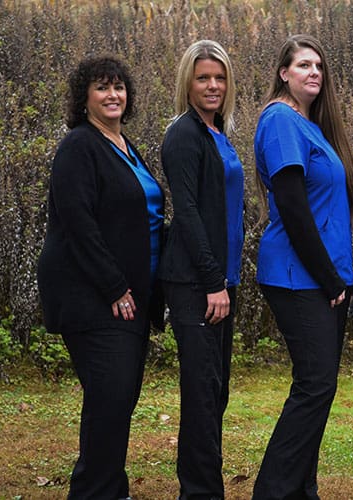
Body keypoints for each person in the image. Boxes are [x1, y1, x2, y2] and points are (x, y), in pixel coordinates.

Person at [37, 55, 164, 499]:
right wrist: (112, 285)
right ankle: (96, 491)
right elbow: (77, 220)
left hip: (130, 297)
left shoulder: (123, 145)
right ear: (84, 98)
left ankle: (109, 487)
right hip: (95, 297)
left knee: (118, 401)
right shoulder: (79, 145)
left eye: (119, 88)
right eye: (102, 88)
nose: (113, 95)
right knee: (109, 401)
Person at [251, 34, 353, 500]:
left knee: (319, 386)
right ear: (284, 72)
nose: (313, 72)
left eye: (319, 65)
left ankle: (301, 490)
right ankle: (272, 491)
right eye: (303, 65)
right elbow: (293, 207)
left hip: (324, 276)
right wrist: (328, 277)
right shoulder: (280, 120)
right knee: (315, 385)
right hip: (299, 276)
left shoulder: (311, 125)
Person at [159, 40, 244, 499]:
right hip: (195, 283)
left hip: (219, 281)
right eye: (202, 77)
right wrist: (213, 281)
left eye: (220, 77)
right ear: (187, 84)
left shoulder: (218, 132)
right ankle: (199, 491)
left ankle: (203, 485)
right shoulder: (184, 134)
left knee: (216, 390)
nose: (213, 85)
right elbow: (187, 213)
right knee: (201, 390)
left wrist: (225, 280)